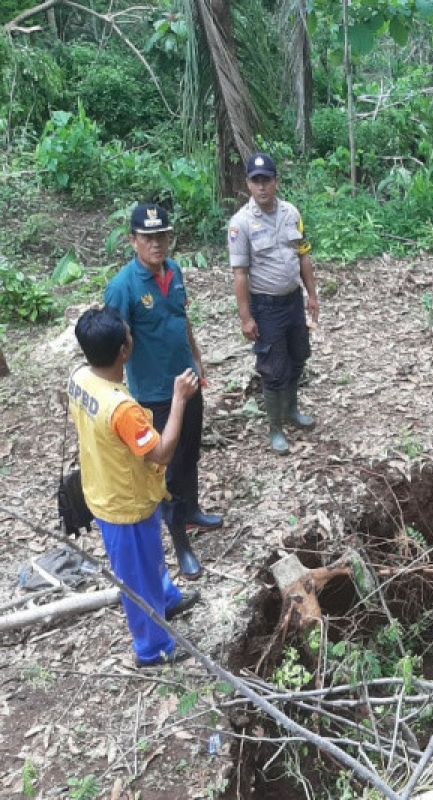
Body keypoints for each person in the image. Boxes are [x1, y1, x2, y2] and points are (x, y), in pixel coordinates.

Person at [68, 307, 201, 667]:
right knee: (135, 577)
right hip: (124, 503)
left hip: (104, 486)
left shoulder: (80, 378)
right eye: (129, 336)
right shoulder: (122, 409)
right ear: (124, 351)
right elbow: (162, 451)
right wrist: (179, 399)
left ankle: (166, 599)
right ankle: (152, 647)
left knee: (148, 559)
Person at [104, 203, 222, 578]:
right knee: (166, 469)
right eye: (148, 238)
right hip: (155, 393)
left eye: (162, 236)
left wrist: (198, 359)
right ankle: (180, 543)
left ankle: (191, 511)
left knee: (190, 455)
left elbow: (181, 319)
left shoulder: (174, 271)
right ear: (133, 240)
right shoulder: (123, 286)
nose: (157, 244)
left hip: (187, 381)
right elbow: (113, 343)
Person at [227, 152, 319, 454]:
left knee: (297, 357)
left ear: (276, 181)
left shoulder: (291, 213)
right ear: (248, 184)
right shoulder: (240, 224)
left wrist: (312, 296)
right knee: (272, 368)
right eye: (256, 181)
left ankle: (292, 410)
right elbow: (240, 274)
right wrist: (246, 317)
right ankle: (275, 427)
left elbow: (303, 254)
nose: (262, 186)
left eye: (267, 180)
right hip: (265, 306)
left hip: (292, 301)